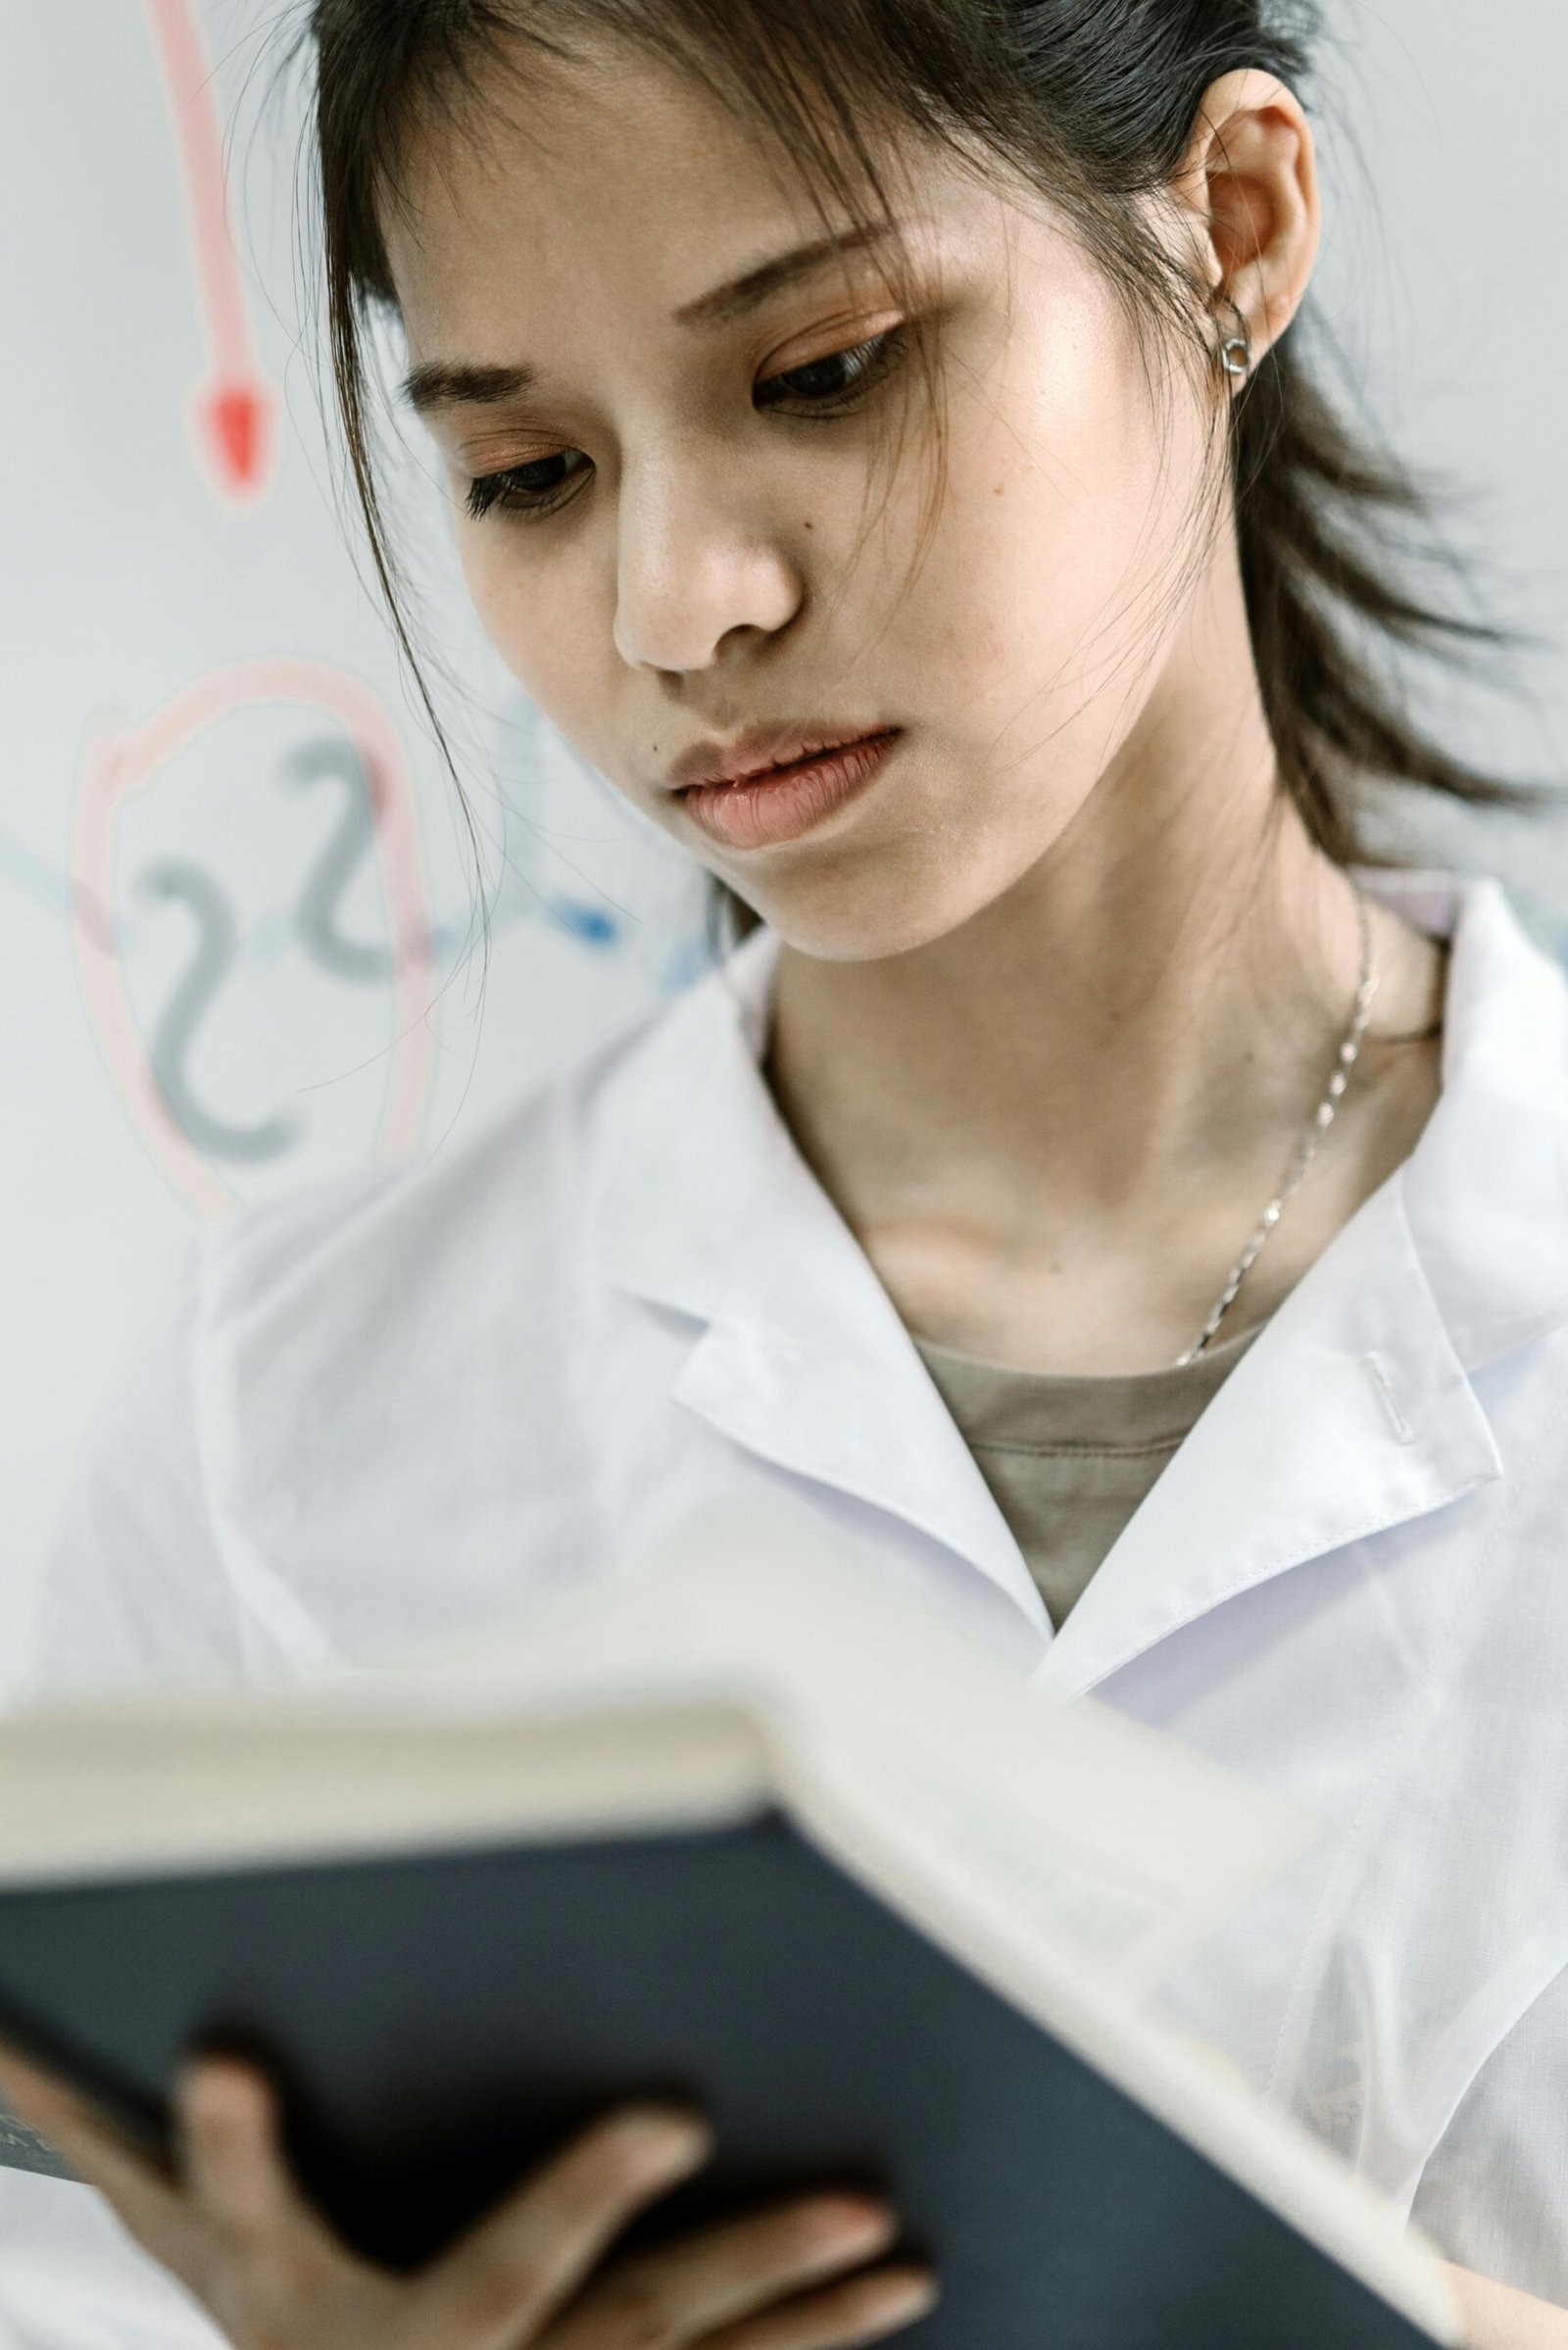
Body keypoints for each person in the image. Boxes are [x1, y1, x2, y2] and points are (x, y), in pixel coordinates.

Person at [3, 0, 1568, 2344]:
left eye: (824, 369)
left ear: (1227, 231)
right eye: (527, 471)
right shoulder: (283, 1438)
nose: (674, 609)